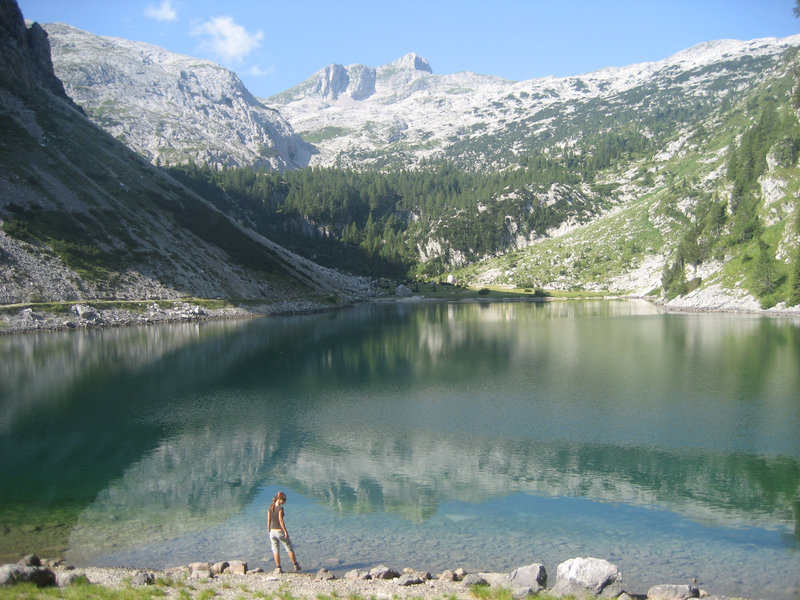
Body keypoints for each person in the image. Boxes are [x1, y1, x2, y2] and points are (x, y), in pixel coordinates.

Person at [267, 491, 301, 573]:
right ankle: (296, 565)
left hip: (272, 532)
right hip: (279, 532)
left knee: (275, 550)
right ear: (280, 499)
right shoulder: (280, 508)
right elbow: (281, 521)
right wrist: (285, 532)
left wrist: (268, 529)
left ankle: (278, 568)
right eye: (284, 499)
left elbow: (268, 520)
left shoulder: (270, 507)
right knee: (289, 548)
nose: (285, 501)